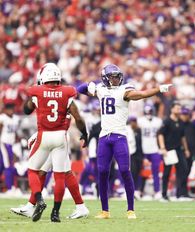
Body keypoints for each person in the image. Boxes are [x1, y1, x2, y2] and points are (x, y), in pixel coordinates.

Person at [77, 63, 172, 219]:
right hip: (104, 137)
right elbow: (78, 90)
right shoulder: (101, 89)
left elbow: (141, 94)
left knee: (124, 171)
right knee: (102, 172)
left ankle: (130, 209)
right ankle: (105, 211)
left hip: (119, 136)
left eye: (116, 76)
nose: (115, 79)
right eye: (112, 77)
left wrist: (159, 89)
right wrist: (90, 86)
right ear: (105, 78)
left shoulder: (124, 90)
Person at [10, 70, 89, 219]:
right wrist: (84, 133)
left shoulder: (38, 91)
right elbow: (76, 116)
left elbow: (27, 110)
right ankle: (53, 212)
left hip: (46, 135)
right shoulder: (67, 93)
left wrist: (34, 94)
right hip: (60, 138)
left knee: (35, 170)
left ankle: (38, 202)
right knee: (59, 174)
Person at [158, 103, 194, 201]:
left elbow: (183, 137)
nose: (179, 110)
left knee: (183, 170)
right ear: (172, 109)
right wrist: (162, 147)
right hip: (169, 150)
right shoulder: (167, 121)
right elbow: (160, 134)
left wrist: (186, 149)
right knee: (167, 173)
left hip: (178, 149)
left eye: (180, 108)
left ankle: (181, 193)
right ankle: (164, 194)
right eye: (177, 108)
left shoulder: (181, 122)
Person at [137, 104, 163, 200]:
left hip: (155, 149)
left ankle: (157, 191)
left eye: (150, 111)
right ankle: (139, 190)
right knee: (140, 171)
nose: (149, 113)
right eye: (147, 112)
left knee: (155, 171)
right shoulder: (140, 121)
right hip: (143, 149)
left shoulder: (158, 121)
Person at [0, 103, 20, 194]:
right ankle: (9, 188)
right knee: (8, 166)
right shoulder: (3, 117)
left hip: (11, 144)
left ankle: (11, 187)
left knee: (9, 166)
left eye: (12, 109)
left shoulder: (16, 119)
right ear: (5, 110)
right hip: (3, 143)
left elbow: (14, 133)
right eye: (9, 109)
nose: (11, 111)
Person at [127, 116, 143, 199]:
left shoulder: (139, 130)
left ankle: (136, 190)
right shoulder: (127, 130)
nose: (133, 123)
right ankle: (130, 191)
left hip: (139, 155)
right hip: (131, 154)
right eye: (131, 121)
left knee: (138, 173)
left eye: (134, 121)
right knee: (132, 173)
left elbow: (141, 144)